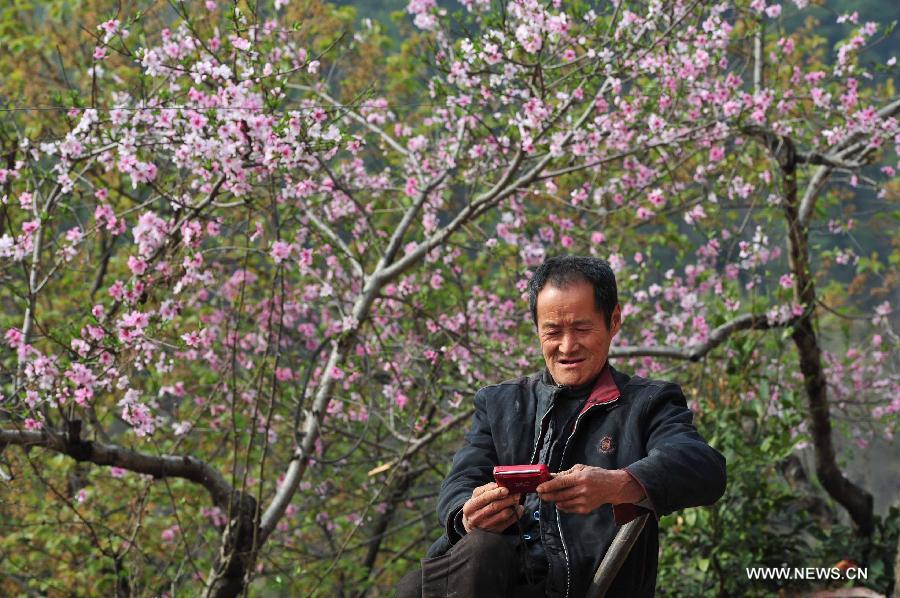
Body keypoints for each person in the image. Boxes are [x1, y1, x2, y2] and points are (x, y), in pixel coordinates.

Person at [397, 255, 727, 598]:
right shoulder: (499, 404)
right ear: (537, 329)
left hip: (583, 587)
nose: (567, 347)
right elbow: (461, 481)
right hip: (487, 580)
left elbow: (704, 467)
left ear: (613, 321)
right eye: (553, 332)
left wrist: (618, 485)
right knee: (430, 578)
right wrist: (468, 513)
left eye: (582, 329)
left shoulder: (647, 404)